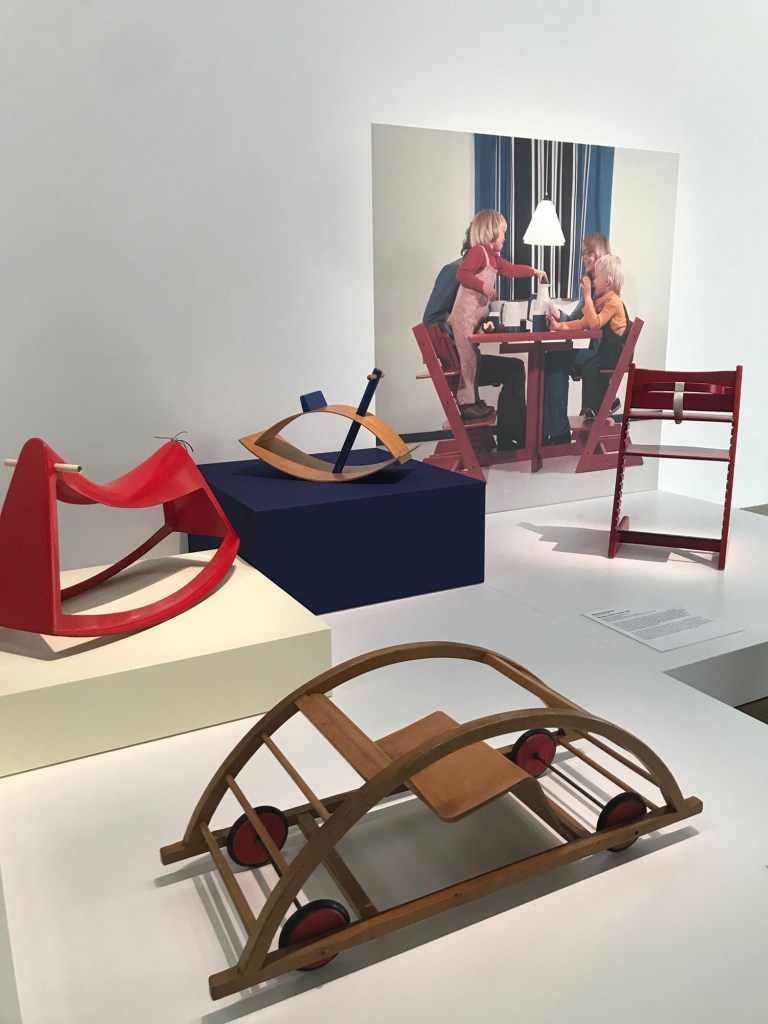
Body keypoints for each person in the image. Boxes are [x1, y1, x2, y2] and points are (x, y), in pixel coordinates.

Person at [423, 222, 535, 450]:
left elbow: (474, 315)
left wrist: (483, 326)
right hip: (457, 364)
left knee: (515, 367)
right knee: (514, 369)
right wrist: (456, 342)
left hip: (469, 358)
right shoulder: (455, 271)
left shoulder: (482, 273)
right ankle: (515, 441)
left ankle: (513, 440)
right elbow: (432, 318)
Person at [447, 210, 546, 426]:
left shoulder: (494, 259)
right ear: (491, 231)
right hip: (463, 317)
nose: (504, 237)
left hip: (472, 318)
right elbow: (462, 274)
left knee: (475, 358)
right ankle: (466, 405)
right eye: (503, 232)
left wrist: (533, 272)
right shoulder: (478, 252)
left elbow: (512, 270)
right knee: (468, 360)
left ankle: (473, 401)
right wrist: (483, 286)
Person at [541, 232, 611, 444]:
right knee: (552, 358)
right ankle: (552, 430)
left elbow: (593, 323)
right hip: (595, 353)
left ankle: (556, 432)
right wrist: (558, 316)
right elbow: (575, 319)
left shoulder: (605, 288)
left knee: (555, 360)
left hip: (601, 356)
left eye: (589, 252)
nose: (585, 257)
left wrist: (586, 299)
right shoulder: (593, 287)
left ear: (600, 253)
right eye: (583, 253)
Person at [554, 254, 629, 419]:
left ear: (607, 282)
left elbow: (595, 324)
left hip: (615, 354)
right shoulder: (603, 302)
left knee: (590, 365)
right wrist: (560, 327)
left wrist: (587, 297)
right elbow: (583, 323)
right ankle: (606, 403)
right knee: (590, 363)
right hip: (607, 352)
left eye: (596, 278)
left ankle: (594, 406)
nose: (593, 281)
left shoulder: (614, 302)